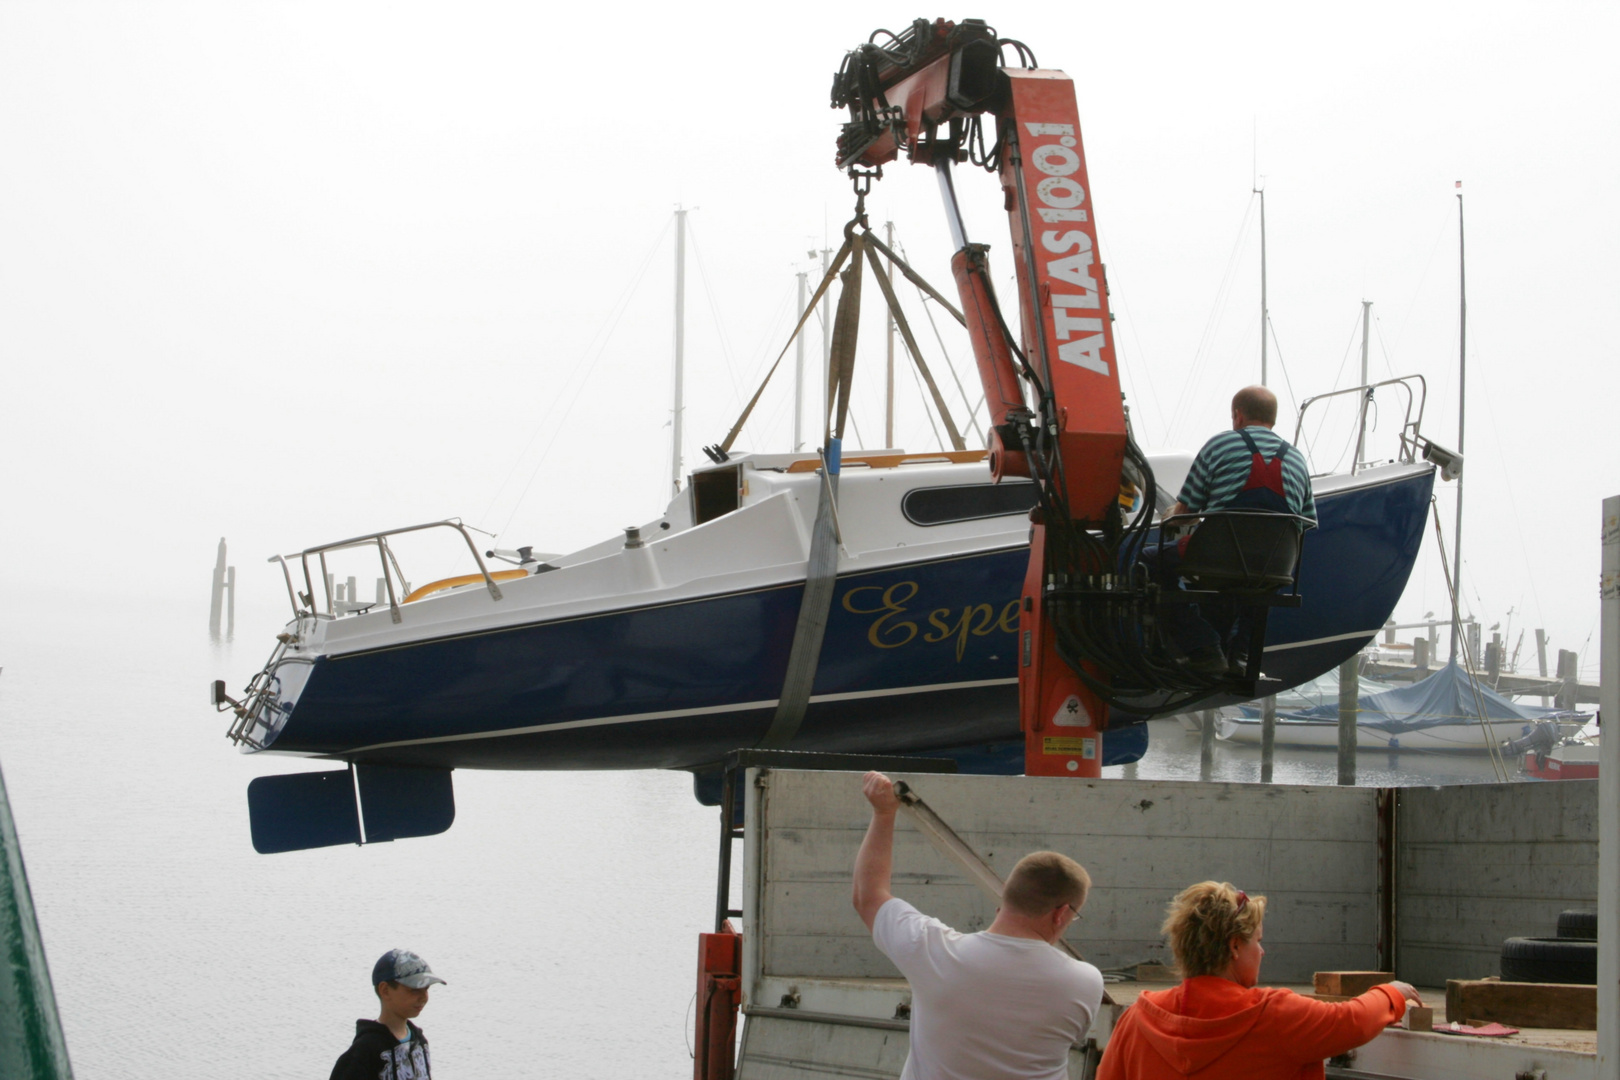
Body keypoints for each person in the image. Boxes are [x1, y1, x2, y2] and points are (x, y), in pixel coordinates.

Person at [852, 771, 1105, 1080]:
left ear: (1005, 899)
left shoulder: (934, 952)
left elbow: (869, 897)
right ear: (1060, 913)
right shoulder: (1085, 981)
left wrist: (883, 813)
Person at [1097, 882, 1421, 1080]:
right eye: (1258, 940)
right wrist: (1391, 993)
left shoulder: (1137, 1019)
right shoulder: (1273, 1015)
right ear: (1235, 945)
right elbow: (1352, 1020)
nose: (1262, 952)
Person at [1159, 386, 1317, 675]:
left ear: (1237, 415)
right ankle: (1241, 655)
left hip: (1216, 559)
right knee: (1259, 582)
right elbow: (1306, 523)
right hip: (1277, 564)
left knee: (1149, 562)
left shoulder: (1220, 445)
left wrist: (1168, 516)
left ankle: (1204, 647)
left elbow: (1185, 517)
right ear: (1273, 418)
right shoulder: (1297, 459)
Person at [329, 949, 445, 1080]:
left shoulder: (420, 1042)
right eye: (414, 989)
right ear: (385, 990)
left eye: (426, 988)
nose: (423, 997)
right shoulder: (363, 1052)